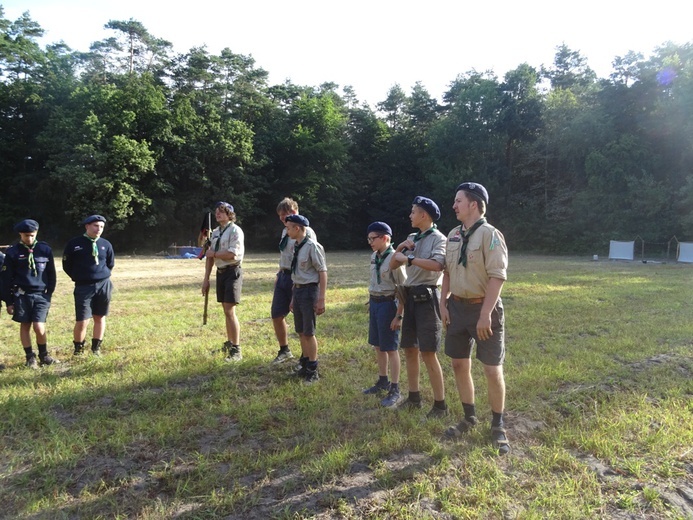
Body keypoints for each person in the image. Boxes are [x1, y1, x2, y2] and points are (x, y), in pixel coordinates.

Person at [440, 182, 510, 455]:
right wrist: (443, 303)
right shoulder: (454, 234)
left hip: (484, 308)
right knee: (459, 364)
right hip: (456, 307)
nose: (454, 205)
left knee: (492, 369)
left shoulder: (490, 235)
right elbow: (447, 271)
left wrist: (485, 315)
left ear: (473, 204)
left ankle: (498, 424)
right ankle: (469, 417)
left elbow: (497, 277)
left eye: (458, 201)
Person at [390, 197, 448, 418]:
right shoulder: (412, 238)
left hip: (428, 298)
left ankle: (440, 405)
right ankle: (414, 398)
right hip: (410, 296)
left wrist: (410, 258)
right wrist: (400, 249)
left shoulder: (438, 239)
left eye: (413, 212)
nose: (410, 215)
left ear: (424, 215)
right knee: (410, 350)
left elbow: (437, 265)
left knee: (428, 353)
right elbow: (393, 263)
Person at [1, 219, 59, 368]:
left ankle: (44, 355)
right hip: (22, 295)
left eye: (32, 235)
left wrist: (49, 293)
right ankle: (30, 357)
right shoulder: (13, 252)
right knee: (25, 325)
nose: (29, 238)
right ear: (21, 234)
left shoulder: (45, 249)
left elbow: (51, 274)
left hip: (41, 294)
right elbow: (6, 279)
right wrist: (8, 301)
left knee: (39, 326)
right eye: (26, 235)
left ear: (36, 233)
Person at [363, 221, 407, 407]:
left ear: (385, 238)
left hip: (389, 304)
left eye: (373, 238)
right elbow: (376, 280)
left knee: (391, 348)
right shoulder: (375, 256)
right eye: (368, 238)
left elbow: (403, 289)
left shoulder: (395, 259)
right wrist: (371, 300)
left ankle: (395, 389)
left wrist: (399, 315)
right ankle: (383, 381)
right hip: (376, 303)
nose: (370, 242)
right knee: (378, 345)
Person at [271, 197, 317, 364]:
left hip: (297, 278)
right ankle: (284, 350)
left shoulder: (306, 232)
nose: (282, 218)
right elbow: (285, 254)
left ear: (294, 212)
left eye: (285, 214)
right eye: (280, 215)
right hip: (283, 276)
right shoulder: (286, 231)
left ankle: (306, 358)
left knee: (302, 323)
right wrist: (279, 273)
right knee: (276, 314)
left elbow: (310, 258)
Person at [63, 214, 115, 356]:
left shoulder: (106, 244)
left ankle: (96, 349)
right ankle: (78, 350)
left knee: (100, 317)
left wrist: (101, 276)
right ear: (87, 226)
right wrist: (80, 277)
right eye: (96, 226)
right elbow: (67, 265)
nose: (99, 229)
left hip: (103, 285)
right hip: (83, 286)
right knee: (82, 320)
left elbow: (110, 264)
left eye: (101, 227)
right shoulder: (74, 244)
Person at [284, 214, 327, 384]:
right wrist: (293, 297)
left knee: (309, 332)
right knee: (301, 331)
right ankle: (305, 363)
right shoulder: (296, 246)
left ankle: (313, 369)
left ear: (297, 228)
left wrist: (321, 298)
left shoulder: (312, 246)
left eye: (288, 228)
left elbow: (322, 272)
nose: (286, 231)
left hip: (310, 291)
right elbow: (297, 274)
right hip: (299, 290)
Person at [202, 202, 245, 361]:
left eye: (221, 212)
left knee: (230, 310)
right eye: (216, 211)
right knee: (226, 310)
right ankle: (230, 342)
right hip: (220, 273)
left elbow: (233, 255)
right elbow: (209, 257)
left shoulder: (235, 231)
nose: (218, 214)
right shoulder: (215, 233)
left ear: (229, 214)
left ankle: (236, 349)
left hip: (232, 271)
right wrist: (206, 279)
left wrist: (214, 253)